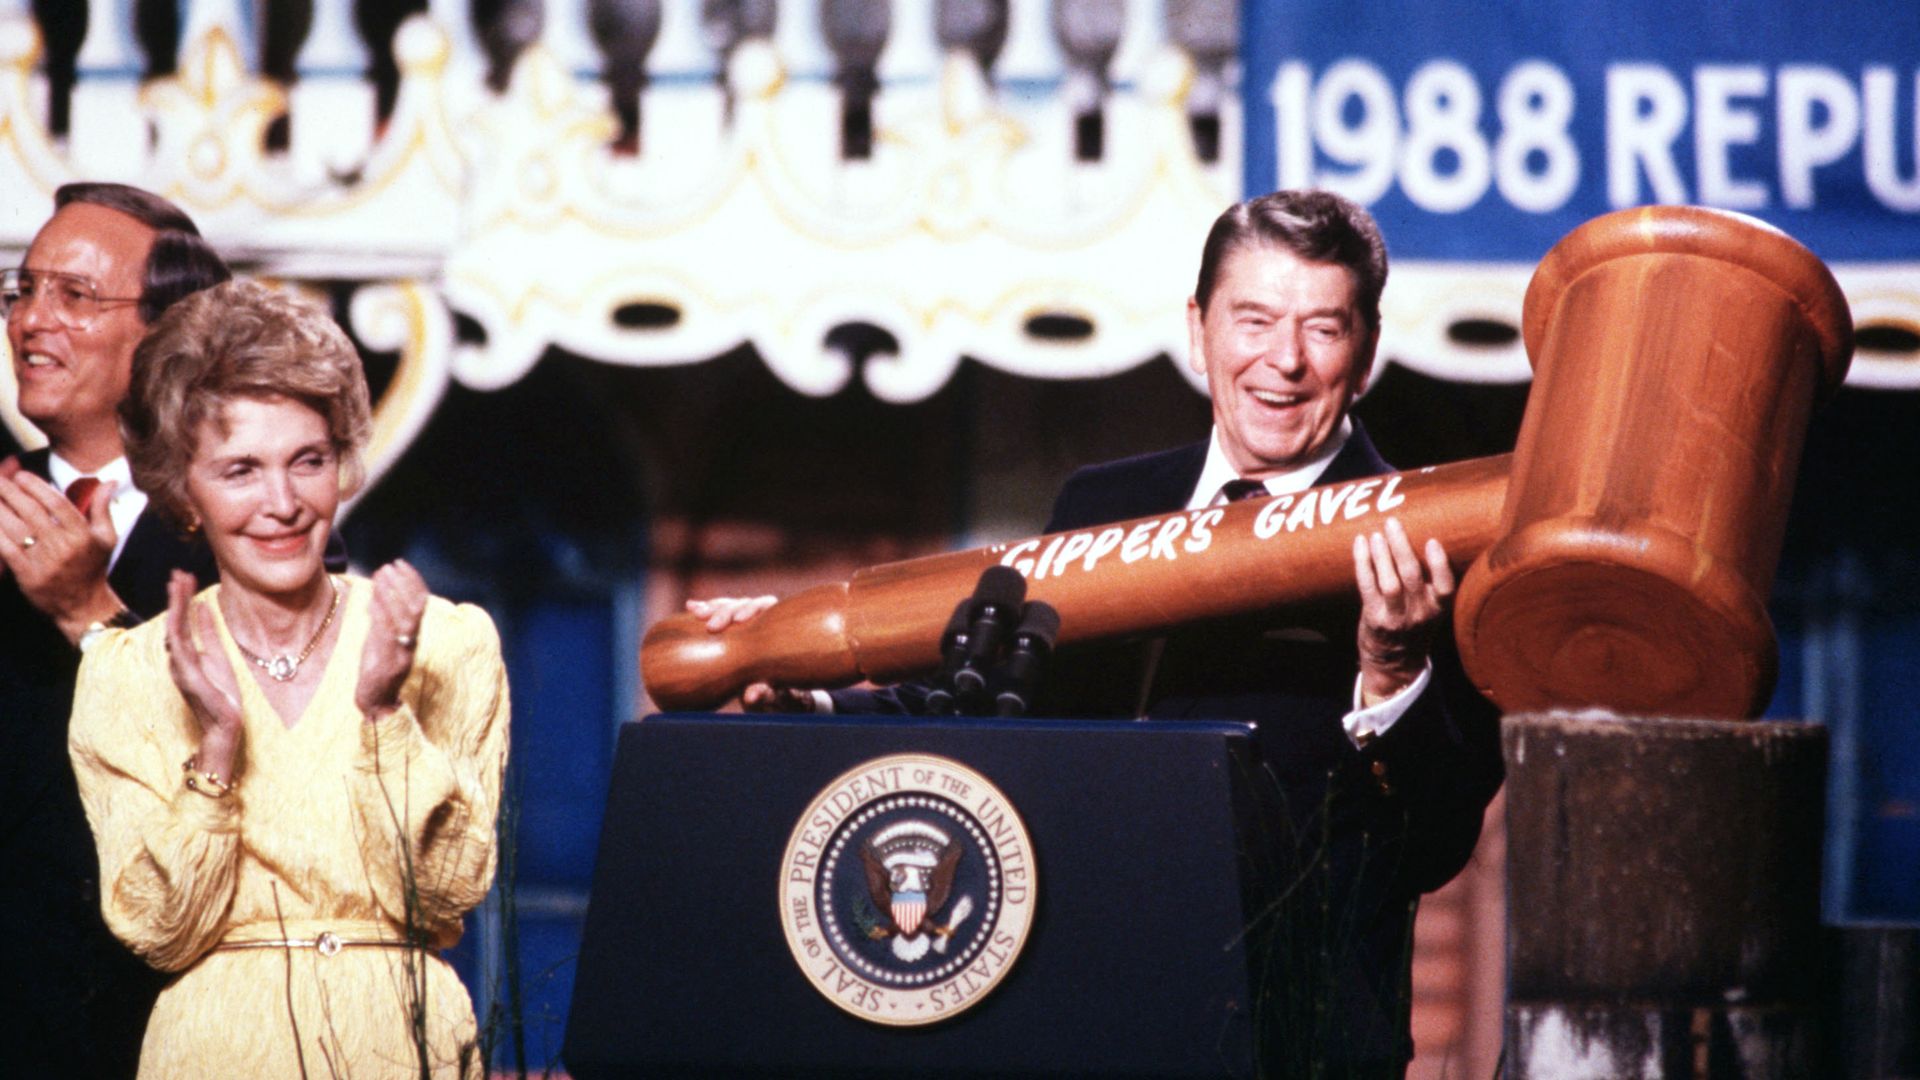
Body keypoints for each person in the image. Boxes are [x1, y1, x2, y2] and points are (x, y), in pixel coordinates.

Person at [691, 190, 1503, 1077]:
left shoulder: (1436, 544)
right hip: (1079, 1018)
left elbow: (1435, 846)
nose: (1284, 361)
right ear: (1199, 330)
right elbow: (993, 708)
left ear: (1367, 348)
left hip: (1294, 1048)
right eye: (1255, 319)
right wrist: (796, 690)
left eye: (1323, 328)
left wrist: (1391, 671)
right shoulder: (1100, 507)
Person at [67, 280, 509, 1077]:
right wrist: (217, 750)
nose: (283, 503)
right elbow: (161, 932)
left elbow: (444, 896)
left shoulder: (448, 641)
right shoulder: (126, 674)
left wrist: (382, 715)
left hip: (405, 1045)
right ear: (184, 492)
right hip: (214, 1051)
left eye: (308, 461)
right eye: (240, 470)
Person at [0, 182, 229, 1077]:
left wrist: (88, 612)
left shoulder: (248, 526)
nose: (30, 321)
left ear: (170, 335)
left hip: (151, 1020)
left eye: (76, 296)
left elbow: (254, 761)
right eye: (23, 290)